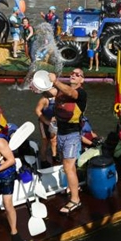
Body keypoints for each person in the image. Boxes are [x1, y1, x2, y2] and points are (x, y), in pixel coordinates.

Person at [46, 68, 87, 214]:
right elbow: (49, 92)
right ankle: (73, 187)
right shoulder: (61, 90)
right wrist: (39, 86)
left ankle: (75, 200)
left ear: (82, 80)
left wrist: (55, 81)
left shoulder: (80, 93)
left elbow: (71, 93)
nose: (74, 75)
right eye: (72, 73)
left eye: (78, 75)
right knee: (69, 166)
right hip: (61, 133)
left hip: (73, 134)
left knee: (68, 167)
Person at [35, 88, 58, 168]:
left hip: (54, 122)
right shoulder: (44, 99)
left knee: (54, 140)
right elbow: (37, 110)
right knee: (45, 141)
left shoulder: (59, 98)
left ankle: (54, 157)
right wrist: (45, 121)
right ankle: (43, 160)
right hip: (44, 122)